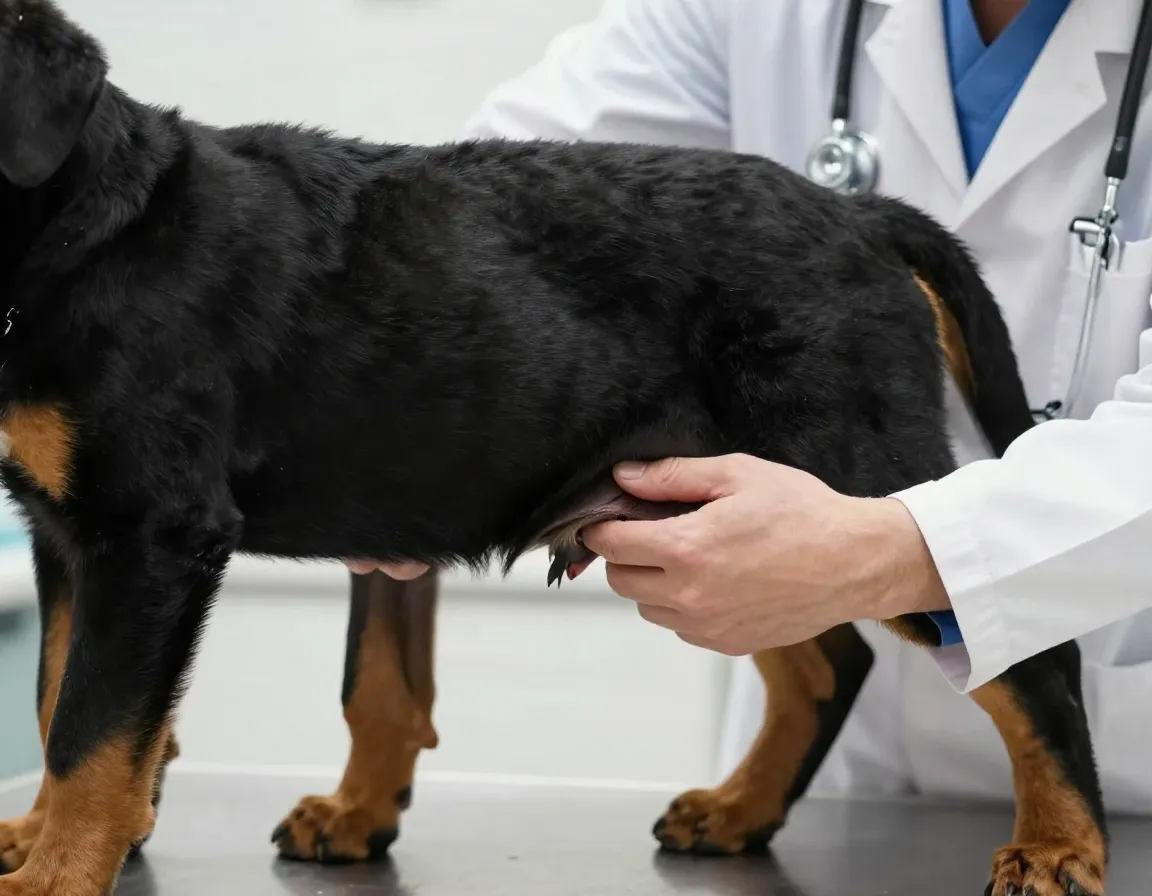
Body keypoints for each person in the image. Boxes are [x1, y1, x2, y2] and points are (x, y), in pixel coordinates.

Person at [350, 0, 1152, 811]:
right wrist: (391, 370)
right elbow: (495, 205)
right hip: (832, 797)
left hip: (1134, 782)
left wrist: (883, 555)